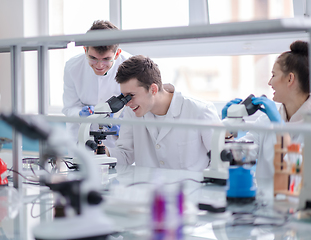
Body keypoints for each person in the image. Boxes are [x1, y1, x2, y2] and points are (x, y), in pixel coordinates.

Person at [106, 55, 221, 171]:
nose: (127, 103)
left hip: (192, 187)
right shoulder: (133, 112)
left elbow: (220, 161)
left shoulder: (200, 111)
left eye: (131, 95)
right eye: (124, 97)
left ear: (153, 90)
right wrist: (103, 152)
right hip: (148, 187)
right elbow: (125, 155)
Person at [222, 40, 311, 178]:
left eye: (274, 75)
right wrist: (227, 129)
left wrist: (279, 127)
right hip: (263, 198)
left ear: (290, 79)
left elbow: (294, 173)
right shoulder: (265, 119)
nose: (270, 82)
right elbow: (239, 156)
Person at [62, 20, 131, 153]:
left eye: (106, 59)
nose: (99, 65)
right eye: (93, 58)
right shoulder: (72, 67)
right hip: (80, 140)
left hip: (117, 142)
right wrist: (80, 114)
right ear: (85, 50)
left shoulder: (130, 65)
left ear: (117, 54)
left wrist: (122, 123)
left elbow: (138, 106)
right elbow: (69, 107)